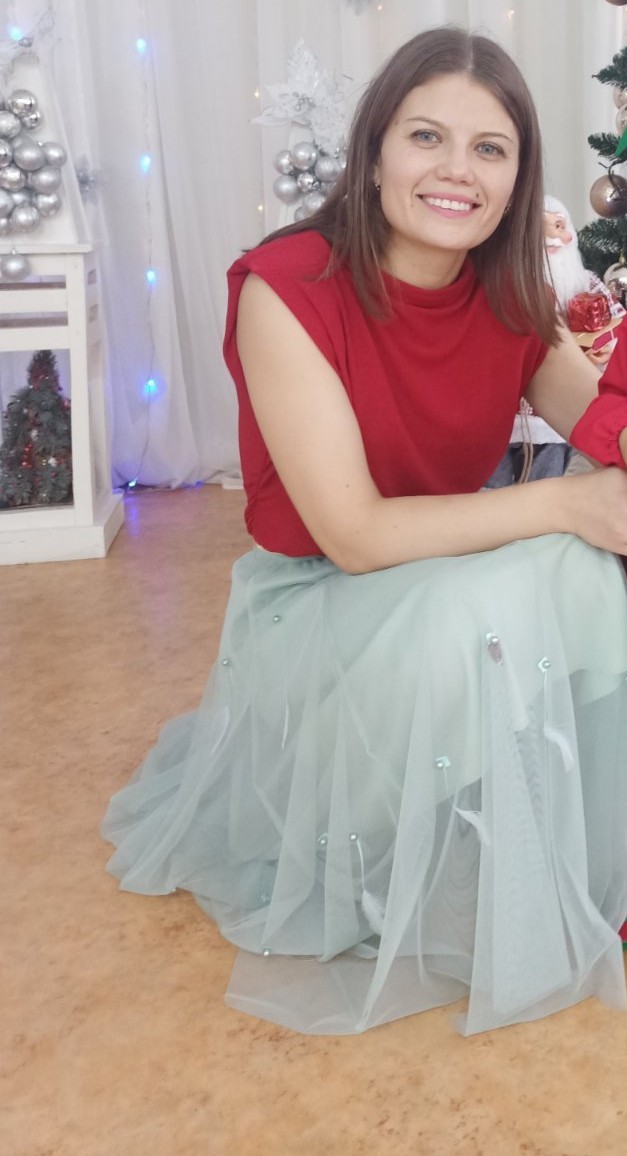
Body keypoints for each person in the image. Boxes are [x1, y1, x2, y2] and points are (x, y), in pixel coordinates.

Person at [101, 27, 627, 1037]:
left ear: (517, 179)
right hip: (323, 596)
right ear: (375, 148)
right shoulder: (288, 285)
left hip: (442, 573)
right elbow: (350, 534)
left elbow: (596, 419)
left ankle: (586, 838)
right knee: (544, 554)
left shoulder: (507, 288)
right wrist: (566, 502)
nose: (456, 171)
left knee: (578, 563)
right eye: (427, 136)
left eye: (489, 148)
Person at [485, 194, 626, 488]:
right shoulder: (503, 291)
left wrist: (603, 348)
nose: (551, 235)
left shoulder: (586, 283)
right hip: (505, 415)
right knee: (491, 481)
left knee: (548, 475)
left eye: (559, 225)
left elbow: (615, 324)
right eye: (539, 228)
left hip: (558, 419)